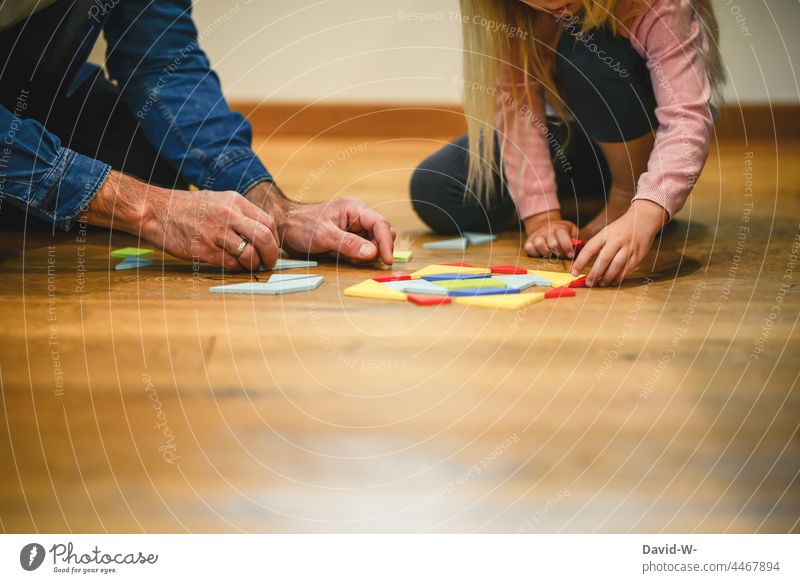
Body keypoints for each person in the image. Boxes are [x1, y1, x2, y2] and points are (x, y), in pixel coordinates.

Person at [0, 0, 395, 270]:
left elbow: (162, 61)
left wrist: (273, 210)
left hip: (32, 95)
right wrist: (151, 210)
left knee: (149, 158)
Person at [410, 0, 723, 286]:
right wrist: (541, 219)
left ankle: (630, 196)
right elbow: (519, 111)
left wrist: (646, 211)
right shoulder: (511, 13)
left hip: (646, 142)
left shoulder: (659, 5)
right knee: (436, 188)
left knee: (585, 49)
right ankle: (591, 204)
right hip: (575, 136)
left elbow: (687, 118)